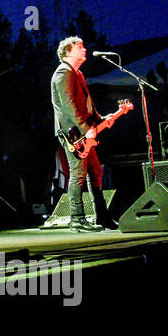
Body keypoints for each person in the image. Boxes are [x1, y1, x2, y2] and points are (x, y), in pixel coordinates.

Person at [47, 36, 112, 231]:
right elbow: (68, 105)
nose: (84, 50)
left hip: (82, 130)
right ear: (67, 52)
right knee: (78, 173)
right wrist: (85, 128)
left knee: (95, 171)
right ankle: (76, 218)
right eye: (80, 47)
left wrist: (99, 119)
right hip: (73, 133)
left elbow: (85, 104)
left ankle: (102, 216)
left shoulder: (77, 74)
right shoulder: (63, 73)